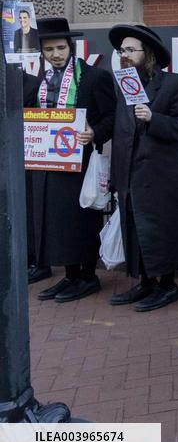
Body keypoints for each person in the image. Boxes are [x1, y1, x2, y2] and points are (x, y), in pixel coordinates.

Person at [26, 18, 116, 303]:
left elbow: (111, 118)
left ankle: (88, 277)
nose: (55, 54)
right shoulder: (42, 81)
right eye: (49, 49)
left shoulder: (93, 77)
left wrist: (94, 133)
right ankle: (70, 276)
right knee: (58, 223)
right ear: (42, 51)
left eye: (61, 48)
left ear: (71, 47)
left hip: (81, 164)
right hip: (51, 165)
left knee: (80, 221)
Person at [109, 24, 178, 312]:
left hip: (161, 176)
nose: (124, 55)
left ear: (149, 54)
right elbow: (120, 132)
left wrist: (153, 118)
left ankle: (167, 285)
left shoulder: (175, 83)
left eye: (130, 50)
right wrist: (115, 176)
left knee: (161, 230)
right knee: (135, 230)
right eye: (122, 50)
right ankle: (145, 281)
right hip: (131, 175)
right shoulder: (123, 85)